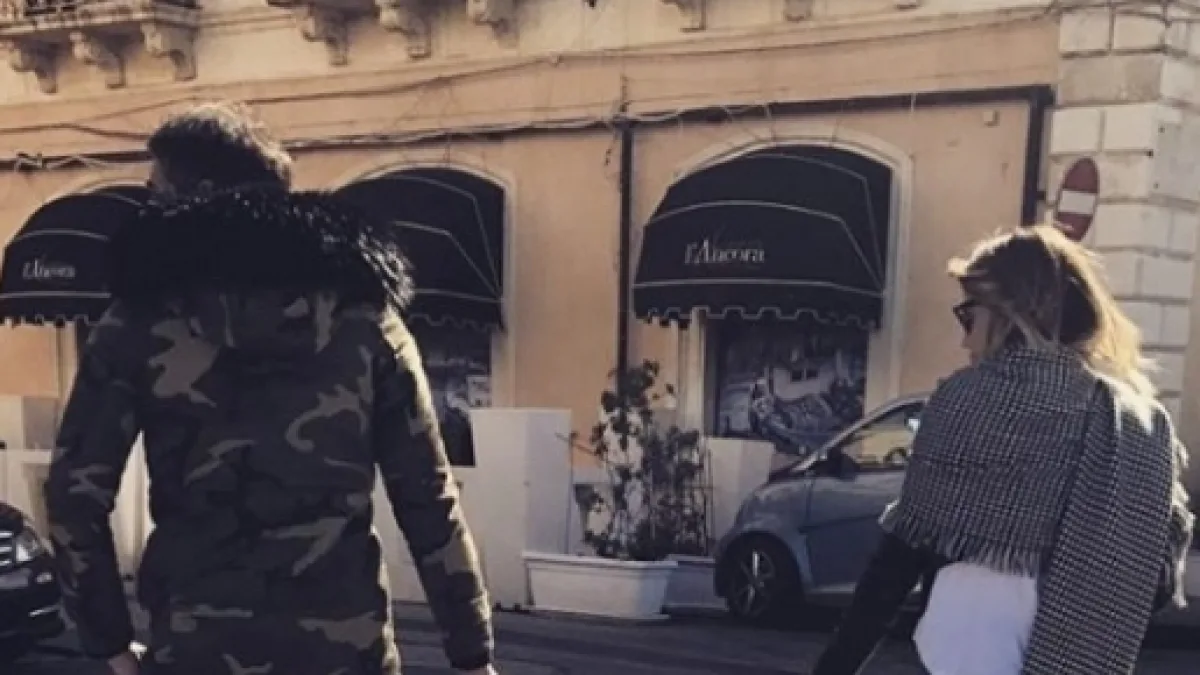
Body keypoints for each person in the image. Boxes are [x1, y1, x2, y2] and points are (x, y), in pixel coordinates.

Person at [44, 102, 498, 675]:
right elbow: (427, 496)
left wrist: (109, 643)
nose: (147, 206)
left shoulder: (138, 321)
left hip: (196, 649)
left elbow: (73, 497)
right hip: (343, 650)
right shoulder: (364, 317)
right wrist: (471, 654)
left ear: (196, 195)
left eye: (155, 190)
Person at [812, 225, 1193, 675]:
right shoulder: (1140, 423)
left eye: (967, 317)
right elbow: (1156, 581)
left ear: (1008, 315)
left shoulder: (965, 401)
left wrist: (835, 667)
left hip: (960, 652)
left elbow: (895, 567)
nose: (965, 340)